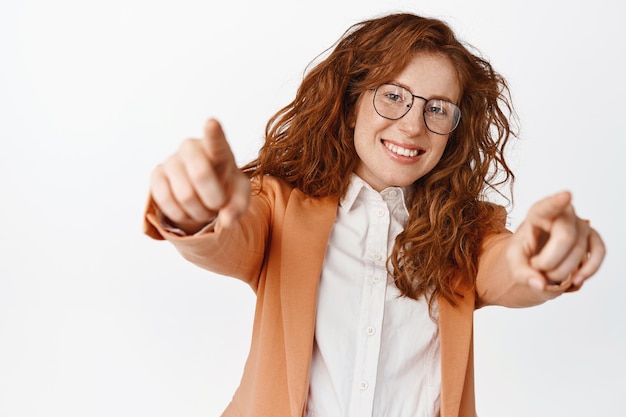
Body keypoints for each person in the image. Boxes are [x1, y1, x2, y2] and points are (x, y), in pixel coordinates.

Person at [143, 12, 605, 417]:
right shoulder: (280, 207)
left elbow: (507, 265)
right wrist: (195, 211)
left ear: (452, 134)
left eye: (437, 109)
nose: (411, 124)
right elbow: (226, 239)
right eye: (393, 96)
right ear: (350, 105)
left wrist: (540, 256)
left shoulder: (465, 232)